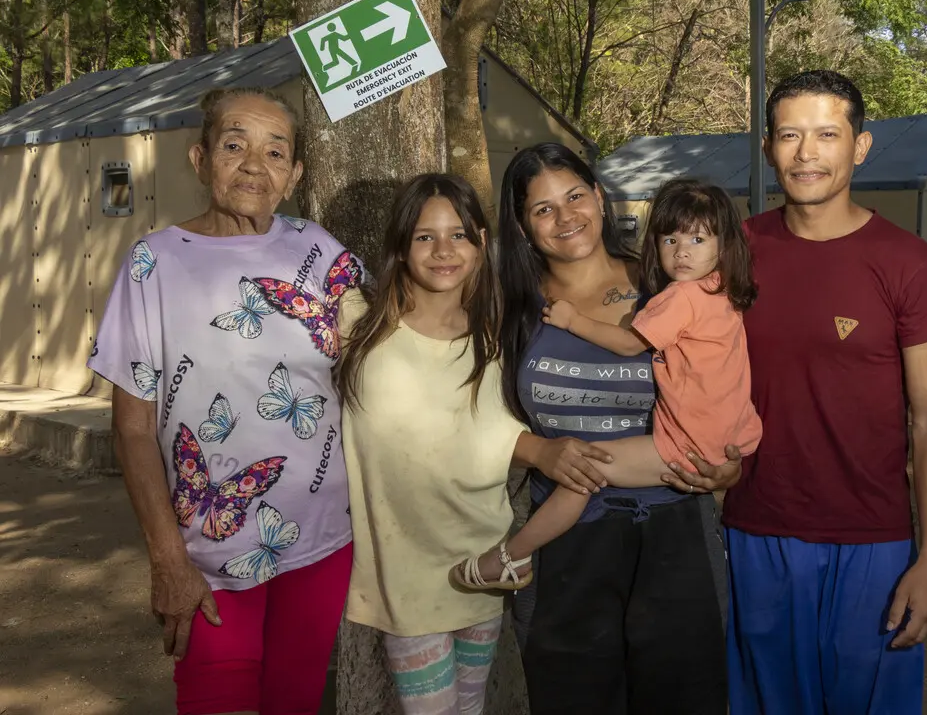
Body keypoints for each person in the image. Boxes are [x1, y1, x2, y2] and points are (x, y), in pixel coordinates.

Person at [88, 87, 364, 715]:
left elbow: (389, 348)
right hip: (205, 556)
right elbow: (132, 429)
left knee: (293, 702)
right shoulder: (152, 264)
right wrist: (167, 559)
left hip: (322, 541)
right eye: (234, 145)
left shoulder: (321, 252)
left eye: (275, 152)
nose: (252, 165)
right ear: (201, 157)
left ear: (293, 174)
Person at [713, 69, 927, 714]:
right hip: (756, 529)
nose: (807, 153)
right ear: (768, 146)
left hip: (872, 541)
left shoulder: (912, 265)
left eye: (827, 134)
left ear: (860, 146)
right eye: (790, 135)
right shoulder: (737, 252)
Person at [336, 173, 610, 714]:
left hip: (483, 560)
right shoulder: (357, 324)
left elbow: (490, 427)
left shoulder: (495, 331)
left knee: (472, 708)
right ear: (400, 245)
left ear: (482, 242)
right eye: (424, 236)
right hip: (406, 572)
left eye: (459, 234)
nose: (443, 250)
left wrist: (545, 449)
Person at [493, 143, 741, 715]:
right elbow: (467, 416)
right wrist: (537, 450)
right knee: (571, 697)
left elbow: (729, 383)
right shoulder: (510, 305)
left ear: (599, 197)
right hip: (567, 536)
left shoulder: (672, 284)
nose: (566, 216)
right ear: (525, 228)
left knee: (684, 698)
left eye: (575, 195)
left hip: (675, 527)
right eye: (543, 209)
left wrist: (732, 463)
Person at [453, 178, 761, 588]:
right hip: (733, 436)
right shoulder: (721, 292)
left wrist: (572, 320)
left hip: (687, 446)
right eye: (669, 239)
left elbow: (627, 343)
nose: (681, 251)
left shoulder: (680, 297)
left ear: (723, 246)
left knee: (584, 468)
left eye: (697, 239)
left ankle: (512, 557)